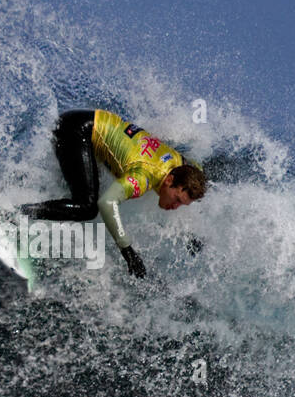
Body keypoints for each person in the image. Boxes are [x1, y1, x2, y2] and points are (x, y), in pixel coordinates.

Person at [20, 109, 206, 278]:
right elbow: (107, 203)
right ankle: (16, 213)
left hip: (86, 122)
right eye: (177, 200)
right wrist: (128, 251)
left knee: (82, 190)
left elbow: (198, 172)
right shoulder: (143, 177)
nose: (175, 207)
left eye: (182, 204)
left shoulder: (181, 164)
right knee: (86, 207)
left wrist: (189, 235)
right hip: (75, 131)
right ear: (169, 180)